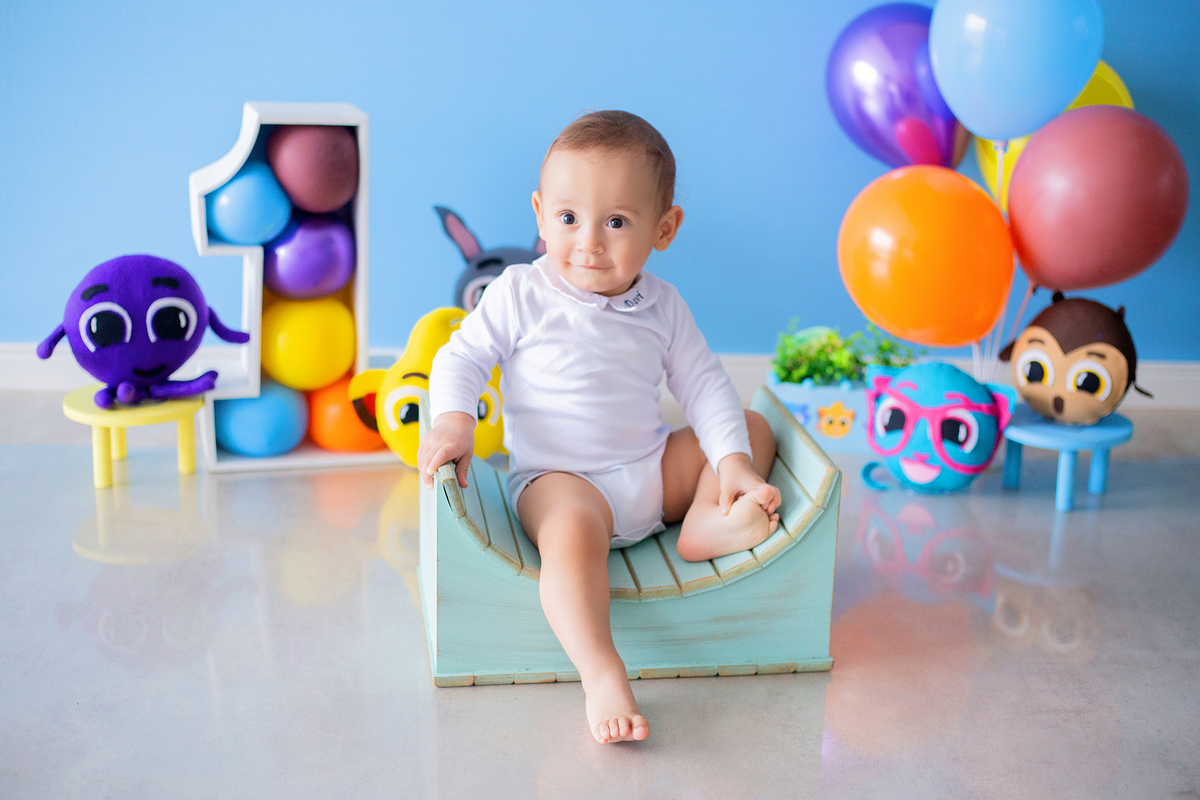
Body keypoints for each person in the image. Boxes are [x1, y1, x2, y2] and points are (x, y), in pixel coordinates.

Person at [418, 110, 782, 744]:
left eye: (616, 222)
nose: (588, 242)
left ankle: (702, 520)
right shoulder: (519, 293)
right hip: (562, 479)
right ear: (539, 213)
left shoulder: (664, 306)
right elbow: (462, 356)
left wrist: (733, 465)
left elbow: (702, 386)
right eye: (568, 219)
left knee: (748, 424)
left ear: (664, 228)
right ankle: (601, 669)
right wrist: (453, 422)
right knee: (570, 532)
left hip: (648, 470)